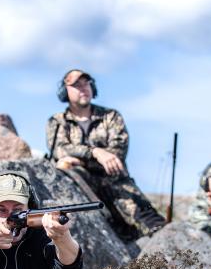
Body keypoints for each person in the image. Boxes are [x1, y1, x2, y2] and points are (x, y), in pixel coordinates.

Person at [45, 68, 166, 240]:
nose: (83, 88)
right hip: (80, 182)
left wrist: (82, 159)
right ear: (65, 91)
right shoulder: (57, 122)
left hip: (114, 180)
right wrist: (95, 152)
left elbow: (117, 153)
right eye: (76, 85)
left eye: (86, 83)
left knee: (148, 220)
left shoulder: (110, 116)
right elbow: (59, 149)